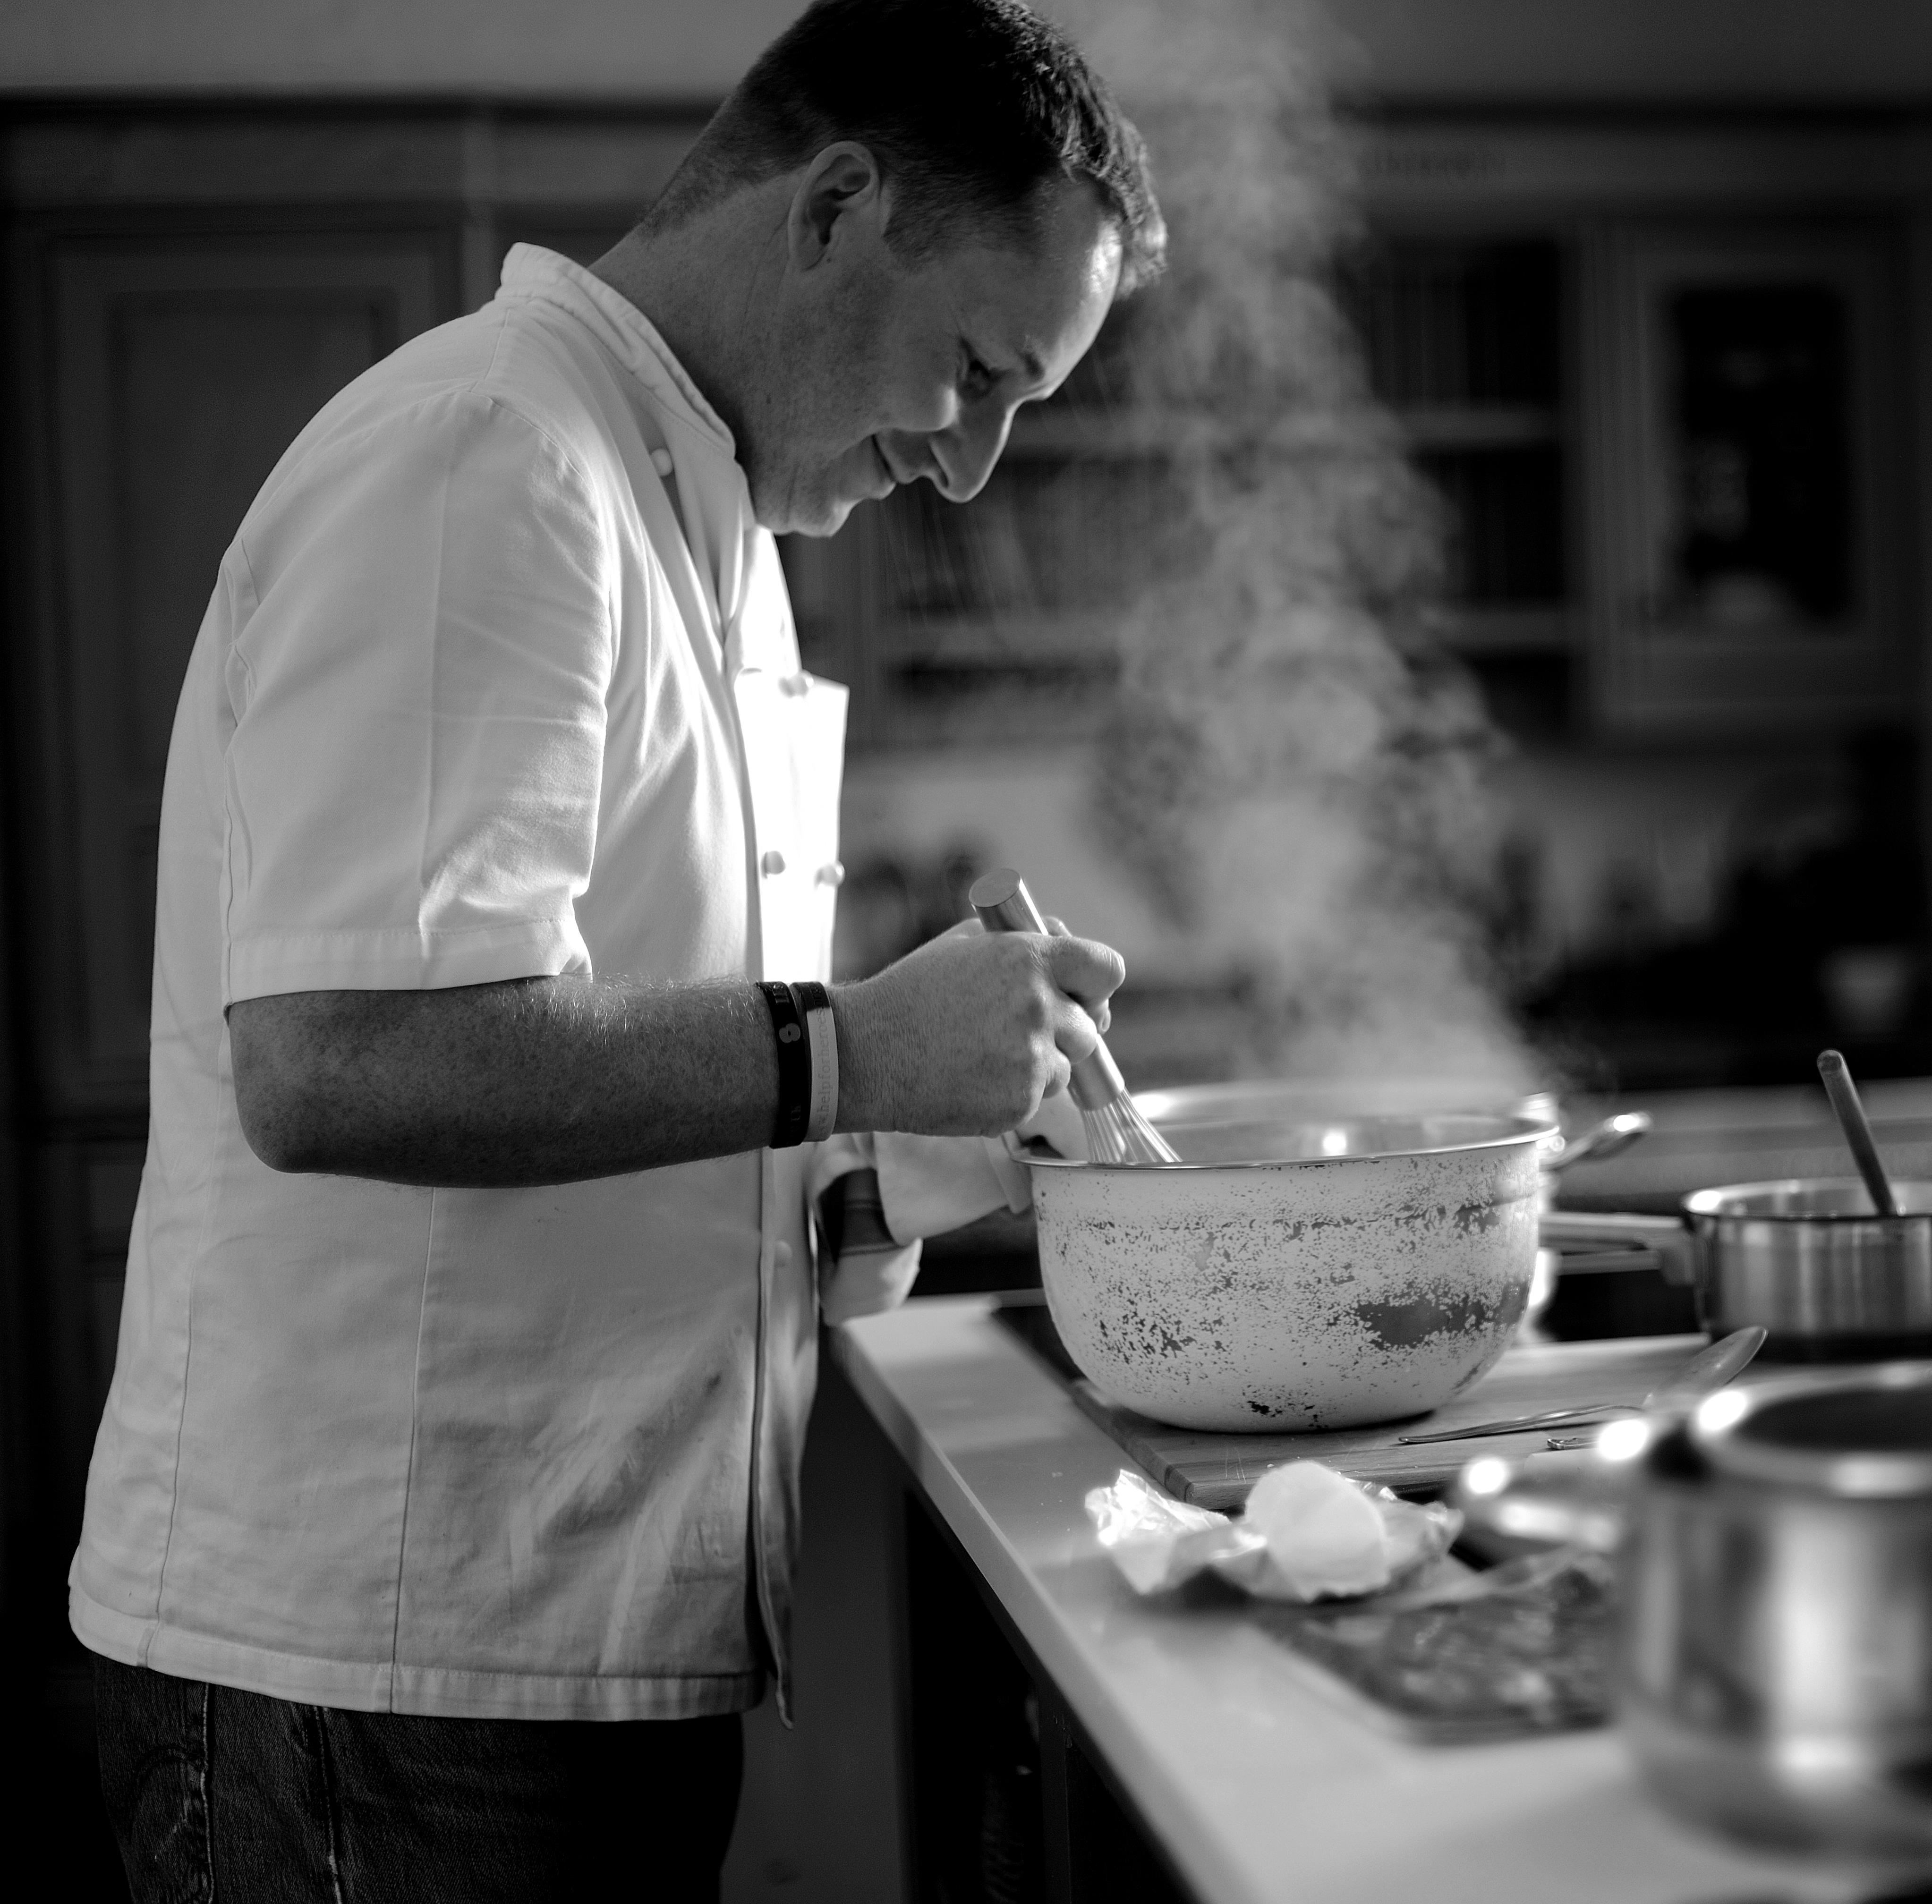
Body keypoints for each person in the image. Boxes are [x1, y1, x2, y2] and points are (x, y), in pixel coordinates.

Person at [74, 3, 1164, 1896]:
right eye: (979, 369)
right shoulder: (489, 457)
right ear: (837, 208)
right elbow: (338, 1061)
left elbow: (641, 1086)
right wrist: (852, 1048)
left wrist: (900, 1151)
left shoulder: (713, 522)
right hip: (390, 1675)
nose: (977, 464)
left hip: (553, 1650)